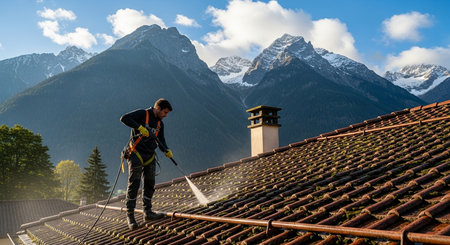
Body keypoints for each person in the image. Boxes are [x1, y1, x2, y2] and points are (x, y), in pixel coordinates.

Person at [120, 98, 173, 229]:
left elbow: (161, 139)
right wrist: (139, 127)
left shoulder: (160, 123)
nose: (166, 115)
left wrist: (166, 150)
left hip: (149, 155)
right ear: (158, 108)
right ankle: (130, 216)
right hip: (136, 153)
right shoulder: (143, 114)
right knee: (134, 184)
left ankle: (148, 212)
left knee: (150, 183)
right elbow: (124, 118)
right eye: (165, 112)